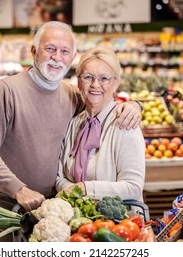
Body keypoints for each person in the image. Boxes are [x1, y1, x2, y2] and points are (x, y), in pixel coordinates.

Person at [0, 21, 142, 232]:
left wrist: (136, 105)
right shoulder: (6, 90)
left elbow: (102, 100)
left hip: (57, 205)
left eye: (64, 51)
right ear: (34, 51)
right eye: (50, 49)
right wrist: (19, 190)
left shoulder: (72, 96)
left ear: (72, 58)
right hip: (13, 202)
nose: (56, 57)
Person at [56, 46, 146, 202]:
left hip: (119, 223)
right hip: (79, 220)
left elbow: (133, 187)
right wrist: (77, 198)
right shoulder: (73, 124)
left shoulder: (125, 123)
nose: (95, 85)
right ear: (78, 82)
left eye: (104, 78)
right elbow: (59, 177)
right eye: (88, 77)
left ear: (116, 83)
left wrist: (84, 189)